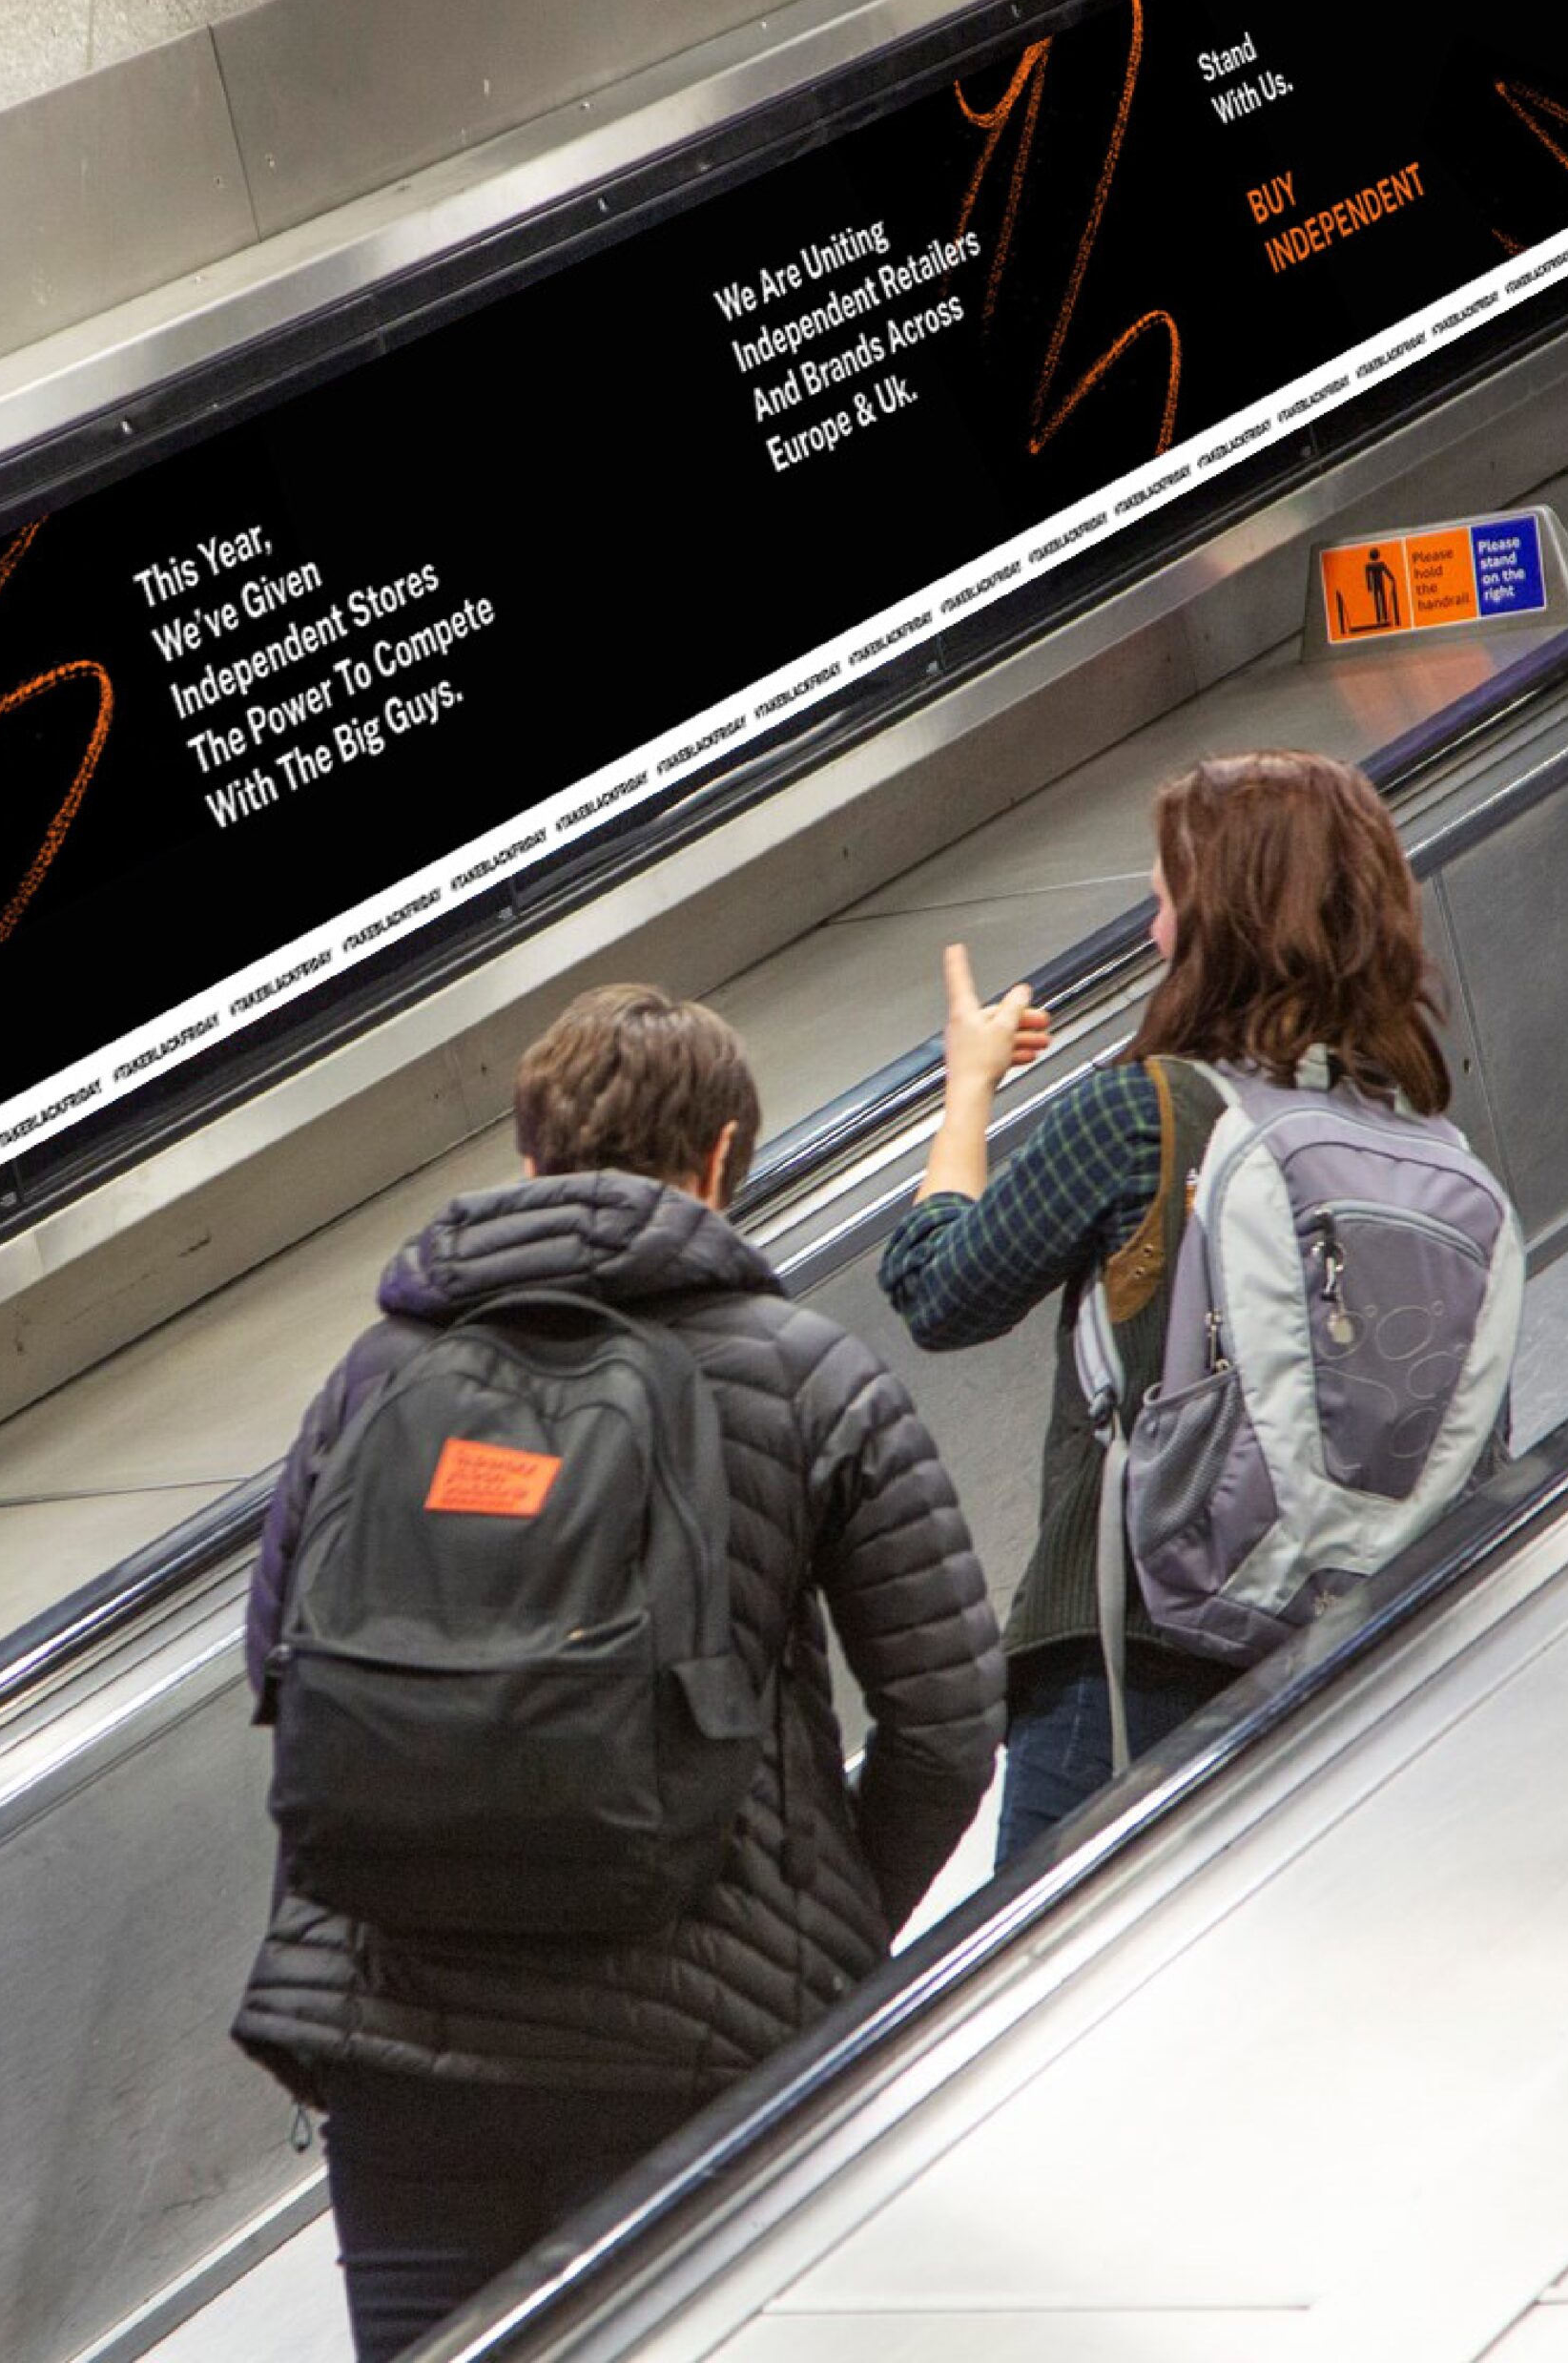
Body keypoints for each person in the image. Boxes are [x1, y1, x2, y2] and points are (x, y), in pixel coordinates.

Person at [235, 983, 1004, 2363]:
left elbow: (282, 1669)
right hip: (696, 2056)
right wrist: (815, 1931)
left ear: (529, 1154)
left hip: (396, 2032)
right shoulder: (811, 1378)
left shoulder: (373, 1375)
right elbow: (945, 1720)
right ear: (720, 1162)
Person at [879, 748, 1477, 1863]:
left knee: (1041, 2005)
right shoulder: (1429, 1151)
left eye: (1165, 903)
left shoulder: (1144, 1114)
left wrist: (966, 1087)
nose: (1153, 935)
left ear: (1221, 921)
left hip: (1131, 1656)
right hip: (1363, 1659)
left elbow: (937, 1285)